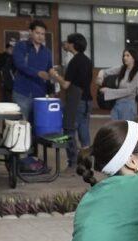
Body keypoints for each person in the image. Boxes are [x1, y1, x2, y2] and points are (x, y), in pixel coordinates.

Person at [50, 33, 93, 171]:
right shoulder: (87, 60)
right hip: (87, 100)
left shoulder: (74, 61)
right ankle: (86, 162)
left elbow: (65, 85)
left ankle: (73, 163)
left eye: (67, 42)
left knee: (69, 129)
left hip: (76, 100)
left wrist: (55, 75)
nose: (65, 44)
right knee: (83, 130)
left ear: (72, 44)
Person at [12, 20, 54, 123]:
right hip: (22, 93)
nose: (40, 36)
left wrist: (52, 87)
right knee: (21, 126)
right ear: (30, 32)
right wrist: (38, 73)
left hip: (40, 94)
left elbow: (49, 69)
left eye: (43, 34)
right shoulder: (21, 46)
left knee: (38, 125)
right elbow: (20, 65)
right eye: (37, 33)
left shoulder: (47, 52)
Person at [98, 48, 138, 122]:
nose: (125, 57)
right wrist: (100, 76)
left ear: (134, 58)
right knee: (115, 128)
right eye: (124, 55)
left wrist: (108, 91)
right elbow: (105, 72)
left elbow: (128, 91)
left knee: (126, 128)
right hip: (116, 103)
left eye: (128, 55)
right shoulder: (122, 69)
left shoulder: (137, 74)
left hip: (128, 106)